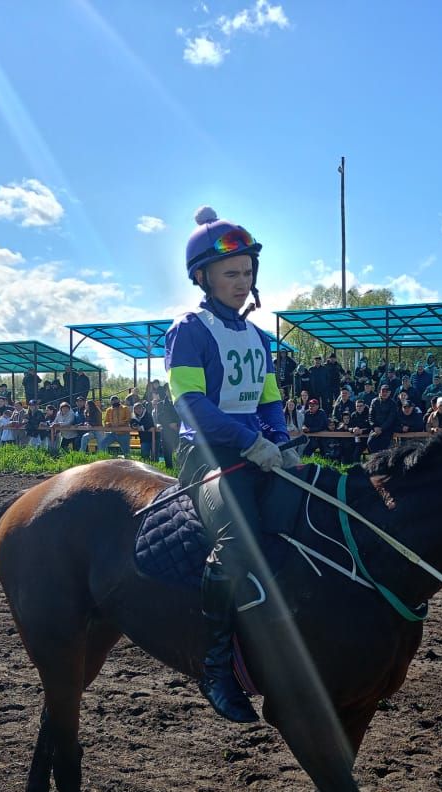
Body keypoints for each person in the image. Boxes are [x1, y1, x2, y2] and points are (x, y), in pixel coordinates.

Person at [165, 206, 295, 724]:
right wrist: (249, 441)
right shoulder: (188, 330)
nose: (241, 283)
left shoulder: (257, 337)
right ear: (204, 277)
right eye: (230, 274)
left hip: (251, 445)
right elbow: (191, 405)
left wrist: (281, 441)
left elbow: (268, 399)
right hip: (204, 451)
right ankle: (216, 665)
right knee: (238, 541)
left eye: (246, 273)